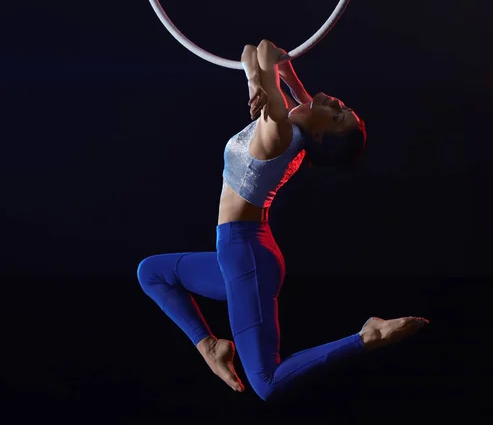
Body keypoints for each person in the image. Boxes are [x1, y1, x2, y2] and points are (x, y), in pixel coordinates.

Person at [137, 39, 429, 401]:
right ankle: (210, 348)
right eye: (346, 108)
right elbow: (255, 51)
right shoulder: (295, 119)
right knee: (152, 272)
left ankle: (368, 336)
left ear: (320, 135)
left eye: (339, 116)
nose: (339, 104)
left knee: (266, 383)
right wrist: (258, 80)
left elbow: (262, 52)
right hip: (240, 250)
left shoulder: (280, 134)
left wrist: (264, 76)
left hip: (247, 259)